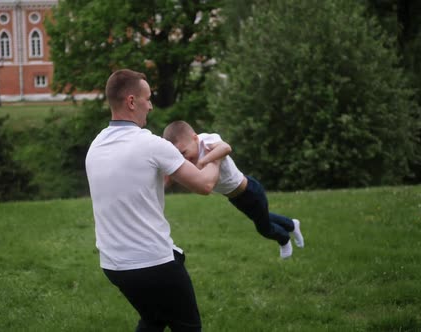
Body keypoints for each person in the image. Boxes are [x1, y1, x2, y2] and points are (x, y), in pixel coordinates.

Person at [85, 69, 222, 332]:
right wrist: (216, 153)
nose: (151, 105)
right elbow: (205, 184)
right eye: (147, 98)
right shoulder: (152, 144)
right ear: (131, 101)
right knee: (188, 326)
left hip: (113, 265)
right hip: (153, 264)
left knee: (154, 319)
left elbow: (143, 184)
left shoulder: (96, 146)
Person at [162, 120, 305, 259]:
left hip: (250, 191)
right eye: (178, 155)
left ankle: (284, 239)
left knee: (264, 228)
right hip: (235, 198)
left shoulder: (206, 141)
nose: (183, 158)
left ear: (195, 138)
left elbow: (226, 148)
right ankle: (292, 224)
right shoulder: (188, 157)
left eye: (184, 152)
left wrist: (203, 161)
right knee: (261, 216)